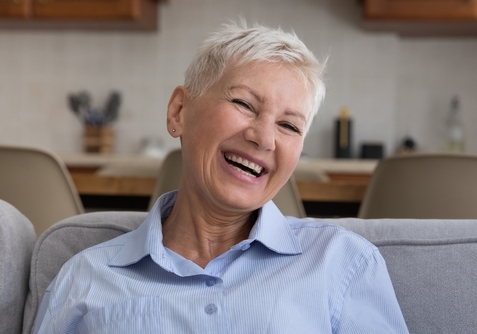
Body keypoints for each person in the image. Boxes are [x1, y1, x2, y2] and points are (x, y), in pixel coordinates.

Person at [34, 20, 409, 333]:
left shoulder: (343, 262)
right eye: (244, 104)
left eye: (289, 126)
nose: (264, 137)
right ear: (179, 111)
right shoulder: (85, 277)